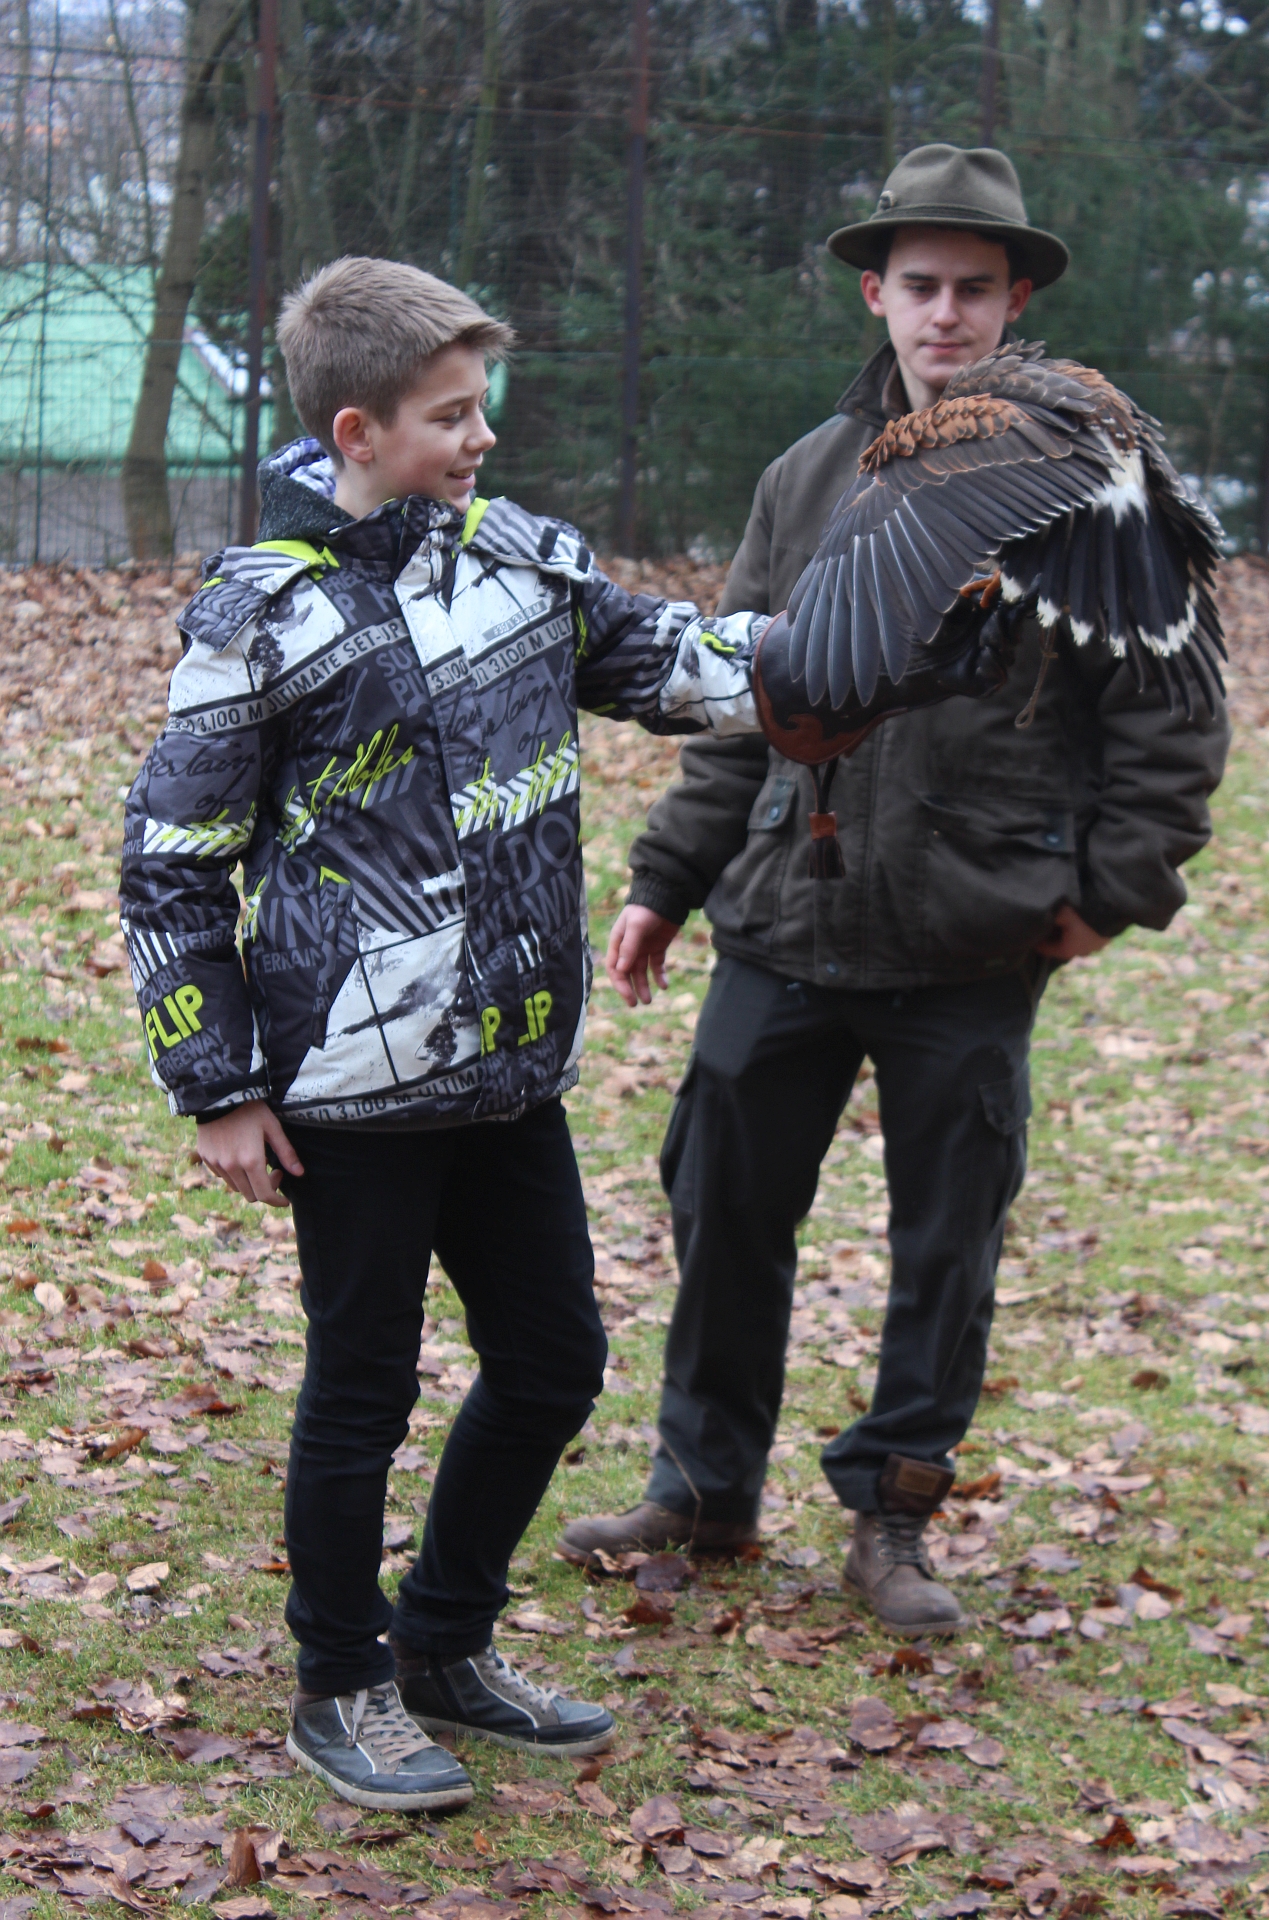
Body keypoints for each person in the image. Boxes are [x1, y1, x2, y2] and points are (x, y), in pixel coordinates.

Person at [118, 257, 771, 1810]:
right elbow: (173, 862)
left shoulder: (527, 568)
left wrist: (878, 648)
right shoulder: (265, 611)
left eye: (483, 408)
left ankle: (443, 1644)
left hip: (507, 1064)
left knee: (553, 1363)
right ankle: (339, 1682)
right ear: (359, 430)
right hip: (346, 1086)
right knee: (364, 1387)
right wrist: (215, 1083)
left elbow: (689, 669)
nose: (483, 437)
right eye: (451, 415)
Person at [558, 146, 1230, 1636]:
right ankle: (703, 1489)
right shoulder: (808, 476)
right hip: (786, 917)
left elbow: (1175, 720)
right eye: (919, 285)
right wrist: (668, 879)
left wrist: (1109, 889)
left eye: (974, 288)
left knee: (946, 1243)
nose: (945, 314)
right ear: (876, 293)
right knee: (723, 1208)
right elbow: (743, 693)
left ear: (1017, 301)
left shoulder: (1082, 476)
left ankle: (894, 1513)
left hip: (973, 931)